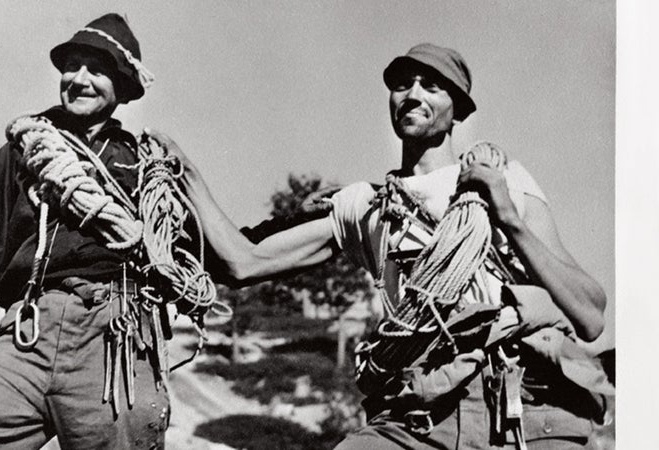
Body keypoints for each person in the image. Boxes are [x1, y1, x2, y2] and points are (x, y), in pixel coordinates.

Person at [165, 43, 610, 449]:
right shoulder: (365, 206)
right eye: (402, 85)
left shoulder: (505, 179)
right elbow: (244, 262)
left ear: (458, 113)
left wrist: (508, 217)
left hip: (519, 403)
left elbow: (589, 316)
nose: (412, 94)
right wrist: (189, 177)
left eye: (432, 86)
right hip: (422, 410)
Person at [0, 13, 181, 449]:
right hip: (26, 336)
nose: (80, 79)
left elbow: (206, 246)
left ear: (123, 87)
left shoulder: (147, 165)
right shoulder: (24, 152)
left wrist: (299, 221)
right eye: (73, 66)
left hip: (114, 340)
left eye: (98, 69)